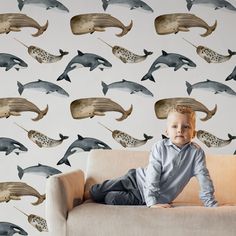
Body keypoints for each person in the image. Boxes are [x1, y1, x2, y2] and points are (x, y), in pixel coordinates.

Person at [89, 105, 218, 208]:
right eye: (174, 126)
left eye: (186, 126)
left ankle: (107, 197)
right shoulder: (160, 147)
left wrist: (210, 203)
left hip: (142, 197)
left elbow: (204, 178)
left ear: (193, 133)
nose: (180, 130)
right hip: (136, 179)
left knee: (111, 198)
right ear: (167, 132)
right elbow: (153, 173)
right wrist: (152, 200)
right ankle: (93, 193)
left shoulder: (196, 153)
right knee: (96, 192)